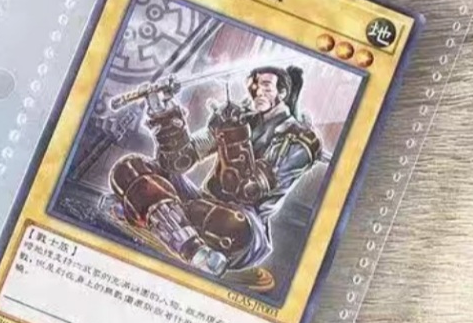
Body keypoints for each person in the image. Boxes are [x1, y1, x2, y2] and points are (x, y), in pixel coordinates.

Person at [109, 65, 321, 278]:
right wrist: (164, 114)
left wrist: (233, 134)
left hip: (245, 224)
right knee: (130, 169)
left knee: (227, 223)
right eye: (254, 84)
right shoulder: (240, 117)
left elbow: (247, 189)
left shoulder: (300, 140)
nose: (257, 91)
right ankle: (149, 209)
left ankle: (192, 249)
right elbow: (180, 161)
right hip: (203, 200)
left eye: (265, 85)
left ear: (282, 92)